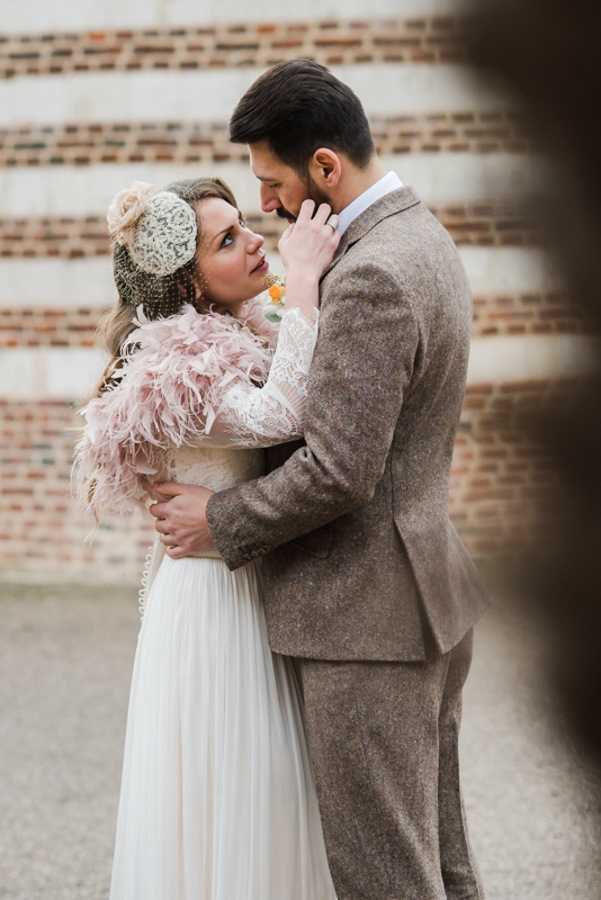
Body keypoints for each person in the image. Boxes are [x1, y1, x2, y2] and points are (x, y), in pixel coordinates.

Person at [150, 60, 489, 899]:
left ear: (325, 168)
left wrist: (219, 520)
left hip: (364, 618)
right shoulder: (421, 234)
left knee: (385, 876)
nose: (265, 202)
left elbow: (338, 469)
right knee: (436, 860)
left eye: (271, 180)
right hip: (420, 595)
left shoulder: (370, 272)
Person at [73, 176, 339, 899]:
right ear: (188, 283)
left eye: (243, 225)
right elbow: (282, 411)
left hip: (244, 571)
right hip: (212, 600)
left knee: (269, 786)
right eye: (227, 240)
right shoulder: (174, 366)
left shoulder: (235, 335)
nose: (254, 240)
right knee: (238, 780)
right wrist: (306, 278)